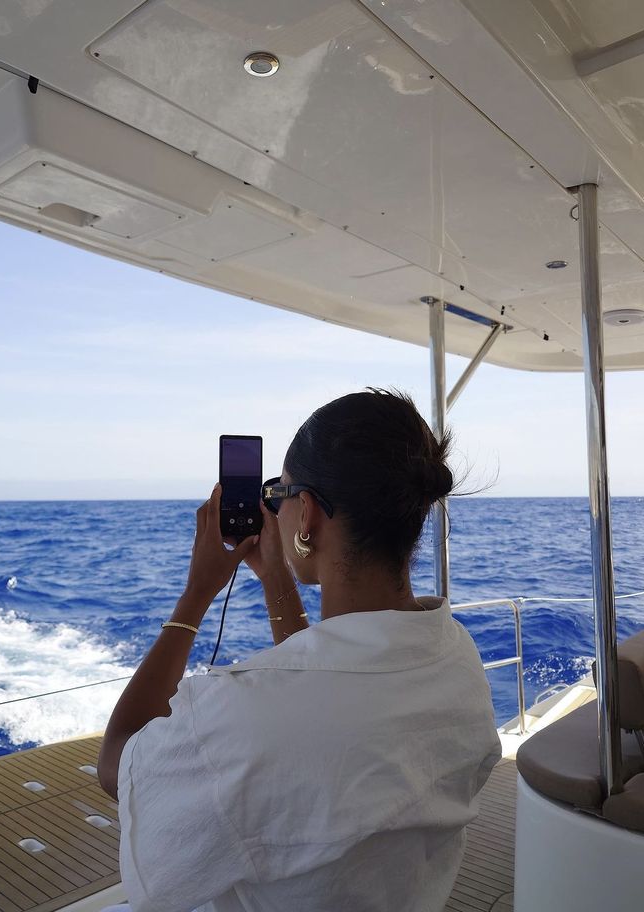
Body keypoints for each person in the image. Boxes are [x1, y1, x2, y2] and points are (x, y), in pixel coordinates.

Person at [98, 388, 502, 912]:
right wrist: (276, 580)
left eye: (280, 493)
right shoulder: (455, 659)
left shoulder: (243, 715)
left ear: (306, 514)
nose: (274, 507)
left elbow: (119, 766)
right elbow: (332, 681)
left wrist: (196, 594)